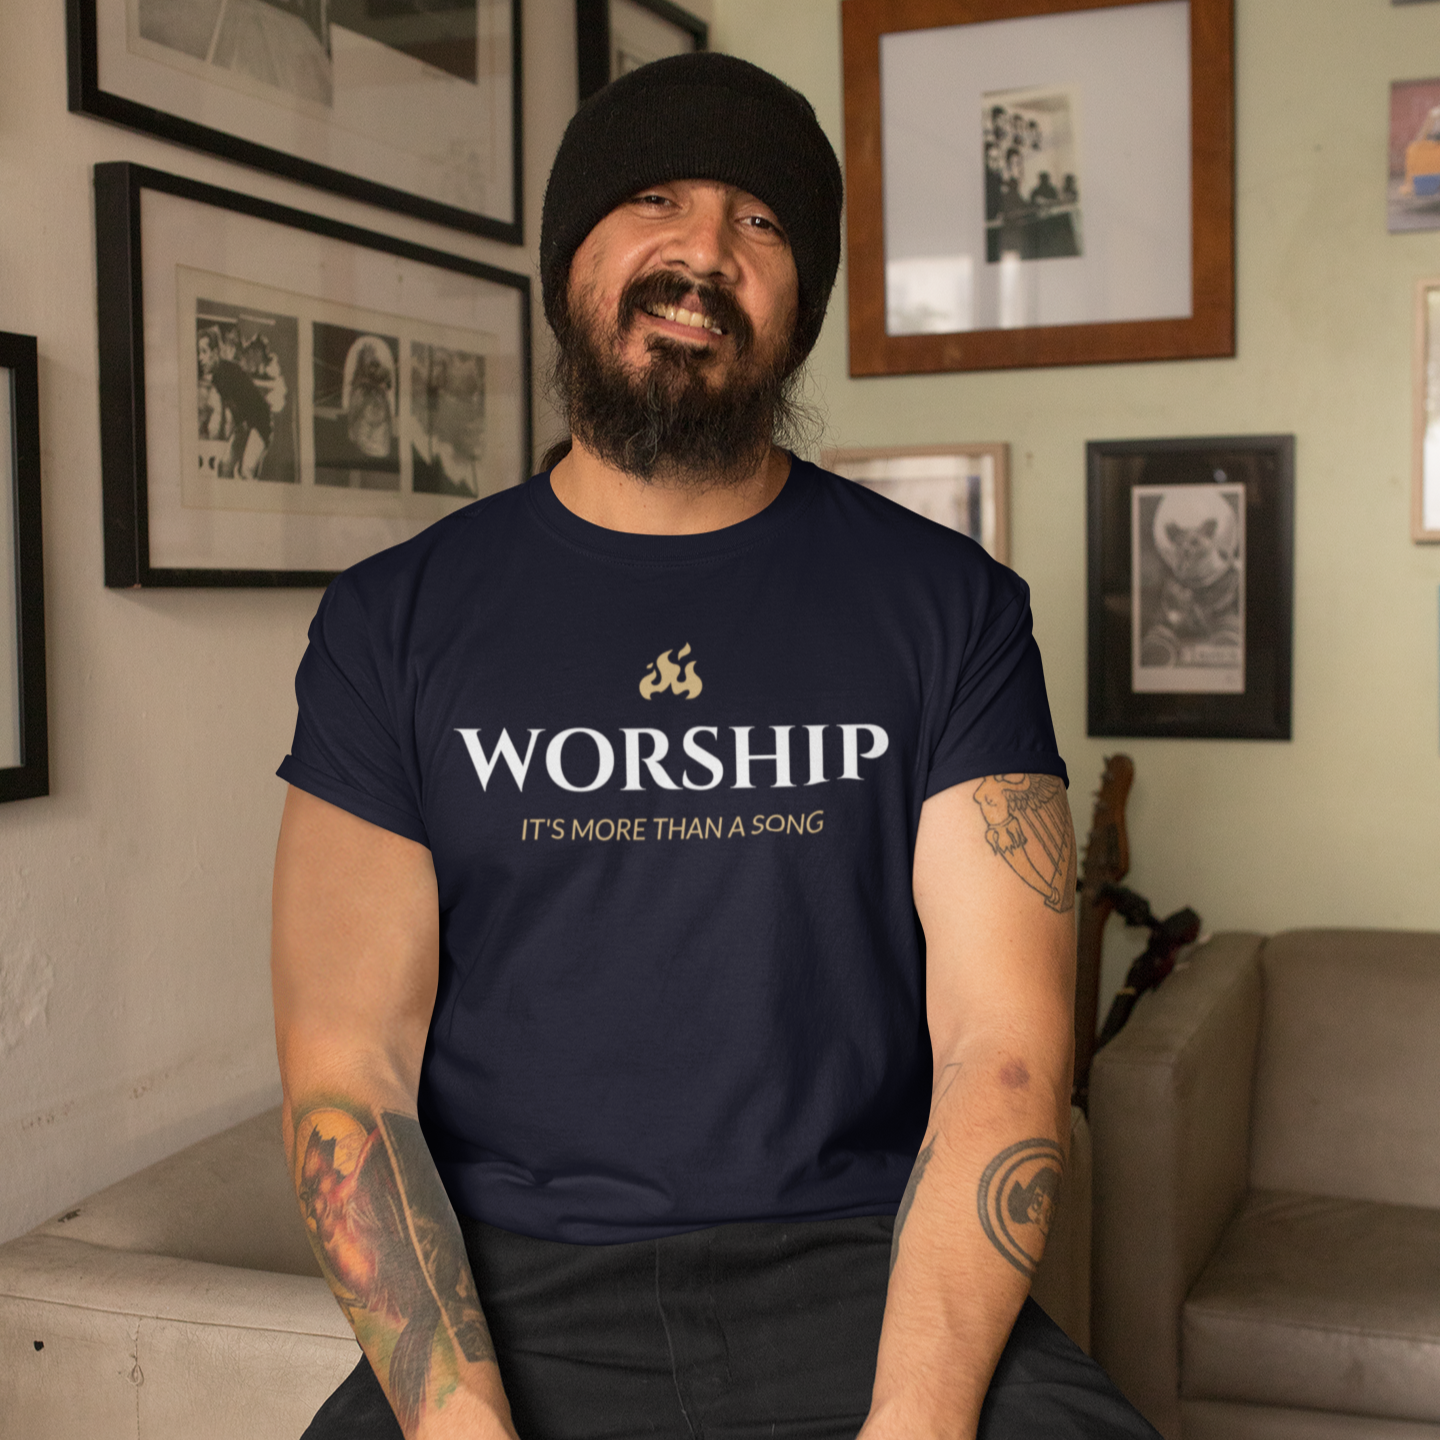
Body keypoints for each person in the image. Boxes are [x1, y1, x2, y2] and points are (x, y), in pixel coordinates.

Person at [271, 52, 1161, 1440]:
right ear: (571, 254)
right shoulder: (394, 622)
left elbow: (1003, 1051)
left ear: (801, 299)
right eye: (654, 198)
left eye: (761, 222)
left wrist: (916, 1425)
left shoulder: (951, 609)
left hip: (866, 1269)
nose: (702, 251)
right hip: (513, 1287)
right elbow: (348, 1071)